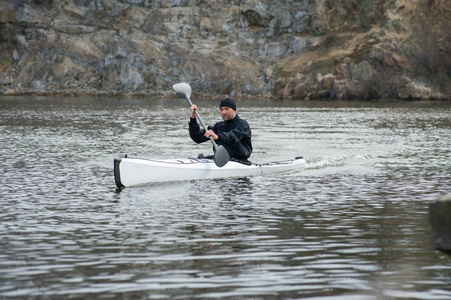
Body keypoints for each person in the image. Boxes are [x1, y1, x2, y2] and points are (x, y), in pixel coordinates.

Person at [189, 97, 252, 161]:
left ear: (234, 110)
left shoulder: (243, 125)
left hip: (240, 161)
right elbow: (197, 137)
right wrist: (193, 119)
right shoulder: (218, 126)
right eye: (221, 109)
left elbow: (232, 137)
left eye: (226, 109)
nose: (223, 112)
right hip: (221, 159)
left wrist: (217, 137)